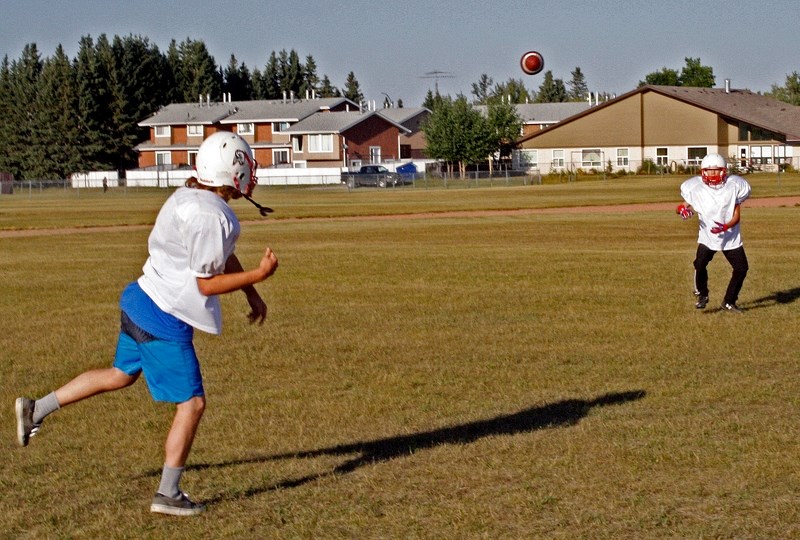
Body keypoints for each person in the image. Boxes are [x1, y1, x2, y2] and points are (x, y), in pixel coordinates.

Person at [14, 132, 278, 516]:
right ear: (231, 171)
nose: (249, 172)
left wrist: (251, 294)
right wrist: (259, 275)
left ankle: (36, 408)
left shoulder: (190, 197)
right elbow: (206, 281)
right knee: (193, 403)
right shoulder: (212, 214)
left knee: (121, 374)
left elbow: (220, 256)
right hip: (163, 317)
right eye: (245, 165)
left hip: (140, 298)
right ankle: (168, 494)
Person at [676, 153, 751, 313]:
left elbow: (736, 215)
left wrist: (725, 226)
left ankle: (729, 301)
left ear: (723, 171)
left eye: (716, 170)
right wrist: (682, 210)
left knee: (741, 268)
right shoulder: (695, 187)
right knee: (700, 264)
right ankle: (702, 294)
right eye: (709, 171)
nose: (712, 174)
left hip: (730, 236)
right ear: (703, 171)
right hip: (708, 236)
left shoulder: (734, 186)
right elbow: (682, 206)